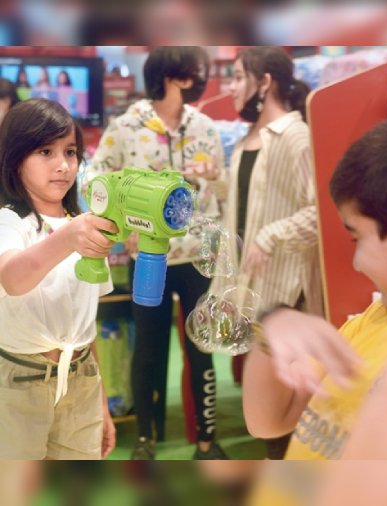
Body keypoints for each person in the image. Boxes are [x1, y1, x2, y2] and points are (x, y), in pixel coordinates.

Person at [241, 110, 387, 465]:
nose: (357, 262)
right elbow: (267, 420)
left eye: (357, 237)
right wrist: (273, 328)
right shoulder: (377, 317)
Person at [90, 46, 227, 460]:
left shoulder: (203, 126)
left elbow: (222, 188)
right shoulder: (126, 126)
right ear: (172, 74)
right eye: (193, 70)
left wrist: (213, 180)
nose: (198, 78)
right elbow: (97, 180)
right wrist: (122, 226)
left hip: (196, 257)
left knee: (202, 349)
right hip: (148, 258)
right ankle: (146, 439)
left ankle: (207, 440)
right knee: (147, 348)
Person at [0, 98, 117, 459]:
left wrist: (103, 404)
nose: (63, 165)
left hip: (82, 381)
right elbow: (13, 278)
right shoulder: (9, 221)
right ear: (16, 158)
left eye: (71, 152)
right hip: (18, 386)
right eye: (46, 152)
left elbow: (86, 324)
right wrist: (67, 238)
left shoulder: (83, 227)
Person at [218, 46, 319, 459]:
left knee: (286, 415)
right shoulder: (245, 143)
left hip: (288, 295)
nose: (231, 86)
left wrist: (271, 236)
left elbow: (319, 213)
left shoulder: (296, 137)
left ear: (265, 82)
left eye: (239, 76)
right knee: (270, 413)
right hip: (253, 292)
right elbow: (242, 209)